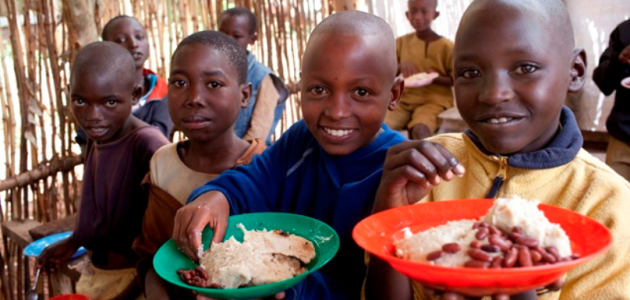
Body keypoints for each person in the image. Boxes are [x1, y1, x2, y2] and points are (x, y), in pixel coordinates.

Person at [367, 0, 630, 299]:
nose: (493, 94)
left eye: (525, 67)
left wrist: (518, 281)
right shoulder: (428, 171)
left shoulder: (609, 206)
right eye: (470, 73)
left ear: (575, 71)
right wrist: (389, 220)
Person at [172, 10, 406, 300]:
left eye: (360, 92)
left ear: (394, 93)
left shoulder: (398, 173)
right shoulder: (301, 142)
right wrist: (218, 195)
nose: (336, 112)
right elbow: (253, 180)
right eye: (318, 89)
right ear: (302, 84)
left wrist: (292, 290)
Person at [131, 30, 266, 299]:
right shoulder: (162, 162)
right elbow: (151, 255)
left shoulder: (262, 168)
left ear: (244, 95)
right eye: (180, 83)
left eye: (213, 84)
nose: (194, 97)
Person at [37, 42, 170, 299]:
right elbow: (99, 209)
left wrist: (133, 289)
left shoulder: (150, 146)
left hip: (135, 281)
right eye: (80, 101)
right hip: (99, 272)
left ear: (135, 94)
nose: (92, 115)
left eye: (109, 102)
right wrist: (73, 242)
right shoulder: (99, 136)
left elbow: (164, 238)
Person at [75, 15, 172, 149]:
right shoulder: (94, 95)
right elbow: (86, 143)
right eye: (120, 40)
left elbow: (157, 141)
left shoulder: (162, 95)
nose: (133, 44)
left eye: (139, 37)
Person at [218, 7, 289, 146]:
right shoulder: (211, 71)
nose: (228, 41)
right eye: (223, 34)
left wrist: (233, 159)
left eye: (237, 36)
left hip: (247, 159)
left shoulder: (262, 78)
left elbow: (258, 134)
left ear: (252, 39)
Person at [384, 0, 454, 140]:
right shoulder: (401, 43)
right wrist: (399, 67)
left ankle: (424, 161)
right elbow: (383, 70)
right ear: (407, 14)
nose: (417, 17)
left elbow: (455, 79)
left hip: (434, 100)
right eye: (413, 11)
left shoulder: (447, 46)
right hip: (403, 99)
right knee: (379, 125)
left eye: (424, 11)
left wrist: (435, 77)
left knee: (420, 129)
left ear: (435, 15)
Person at [593, 19, 630, 181]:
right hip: (623, 139)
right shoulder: (625, 30)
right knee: (614, 201)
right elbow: (603, 83)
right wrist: (619, 59)